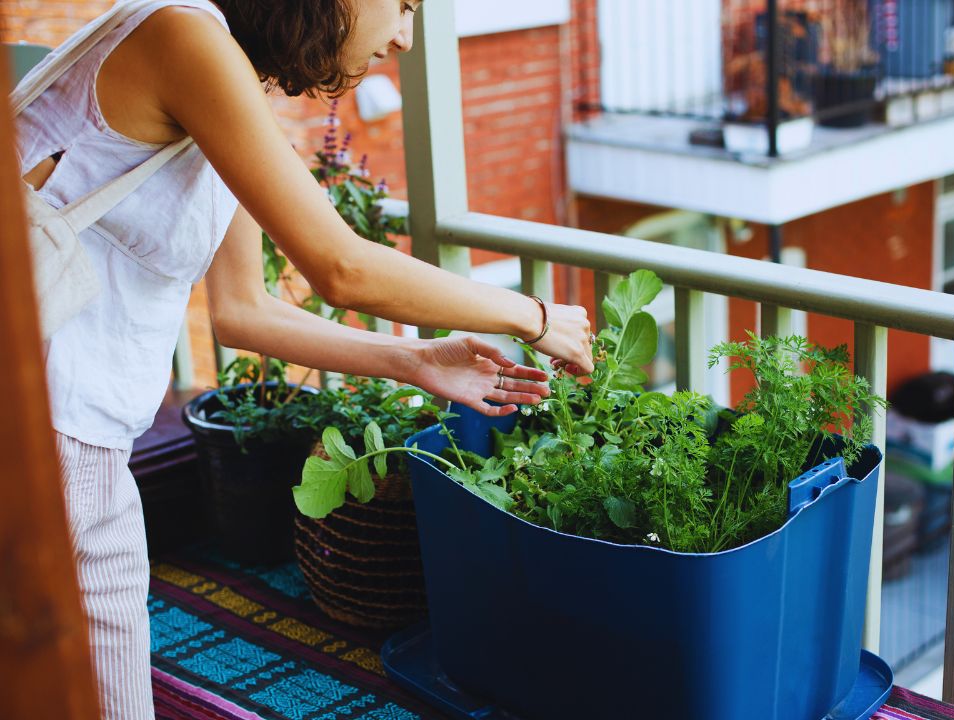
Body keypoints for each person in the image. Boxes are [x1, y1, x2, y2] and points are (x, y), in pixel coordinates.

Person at [13, 0, 594, 717]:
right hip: (35, 427)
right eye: (404, 7)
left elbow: (244, 308)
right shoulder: (183, 35)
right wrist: (533, 316)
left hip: (87, 443)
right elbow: (339, 267)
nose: (406, 38)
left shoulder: (234, 80)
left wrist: (417, 361)